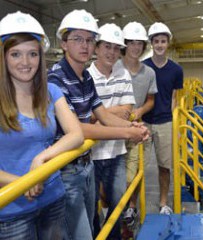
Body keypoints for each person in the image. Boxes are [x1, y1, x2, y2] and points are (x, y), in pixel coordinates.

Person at [48, 9, 149, 240]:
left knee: (95, 227)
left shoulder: (86, 77)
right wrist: (126, 132)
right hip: (66, 169)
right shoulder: (56, 78)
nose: (85, 46)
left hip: (86, 162)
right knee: (82, 234)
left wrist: (132, 128)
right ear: (63, 44)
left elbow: (101, 113)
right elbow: (77, 128)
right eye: (77, 39)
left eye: (90, 40)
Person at [0, 11, 84, 240]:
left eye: (32, 54)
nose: (25, 63)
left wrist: (41, 160)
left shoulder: (50, 92)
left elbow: (76, 134)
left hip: (52, 197)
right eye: (16, 54)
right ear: (3, 57)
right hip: (11, 209)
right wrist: (23, 182)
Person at [87, 23, 135, 239]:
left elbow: (127, 111)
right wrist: (109, 113)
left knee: (117, 203)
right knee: (90, 208)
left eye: (116, 48)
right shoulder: (86, 76)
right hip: (89, 154)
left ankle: (113, 237)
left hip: (116, 151)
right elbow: (83, 118)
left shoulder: (123, 74)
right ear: (96, 48)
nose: (112, 52)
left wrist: (100, 114)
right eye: (107, 46)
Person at [117, 21, 158, 227]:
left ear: (143, 46)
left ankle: (131, 207)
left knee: (135, 172)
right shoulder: (114, 68)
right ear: (125, 44)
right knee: (114, 172)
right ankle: (116, 206)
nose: (135, 47)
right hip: (113, 130)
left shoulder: (149, 73)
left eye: (139, 43)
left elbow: (151, 100)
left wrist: (138, 112)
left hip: (137, 128)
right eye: (131, 43)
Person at [142, 22, 183, 214]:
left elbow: (174, 98)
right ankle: (133, 205)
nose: (159, 45)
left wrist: (175, 128)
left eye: (163, 41)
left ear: (168, 43)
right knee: (137, 167)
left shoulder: (176, 70)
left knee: (164, 166)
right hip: (143, 122)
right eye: (156, 41)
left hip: (165, 122)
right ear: (151, 43)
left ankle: (163, 202)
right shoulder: (143, 67)